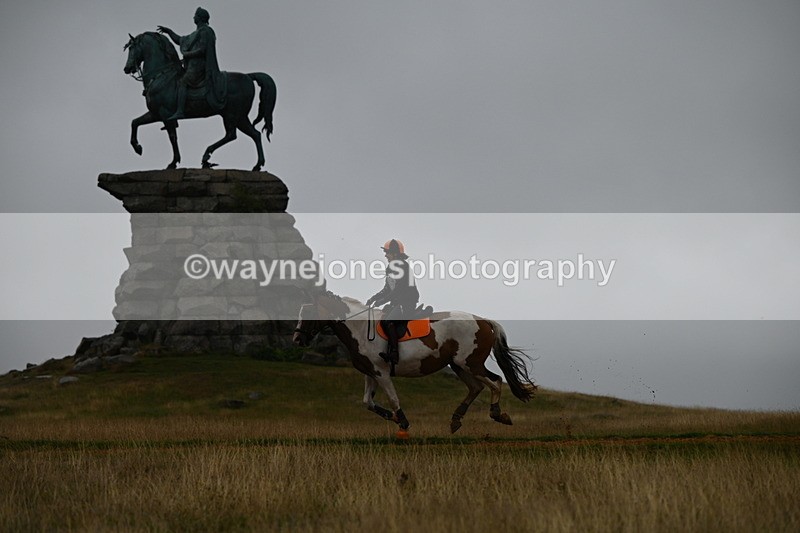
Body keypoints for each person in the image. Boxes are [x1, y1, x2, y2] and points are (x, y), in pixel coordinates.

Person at [157, 7, 226, 120]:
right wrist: (169, 31)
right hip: (192, 66)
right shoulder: (195, 33)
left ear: (200, 18)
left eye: (195, 15)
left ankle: (180, 111)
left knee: (183, 81)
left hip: (200, 66)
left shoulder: (206, 31)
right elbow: (180, 40)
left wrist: (188, 54)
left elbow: (202, 49)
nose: (193, 17)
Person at [366, 239, 420, 368]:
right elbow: (387, 289)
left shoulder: (401, 266)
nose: (385, 255)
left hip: (407, 302)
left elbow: (398, 290)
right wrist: (374, 298)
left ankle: (394, 354)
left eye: (387, 252)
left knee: (388, 321)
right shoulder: (390, 268)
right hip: (397, 301)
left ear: (395, 253)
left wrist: (382, 301)